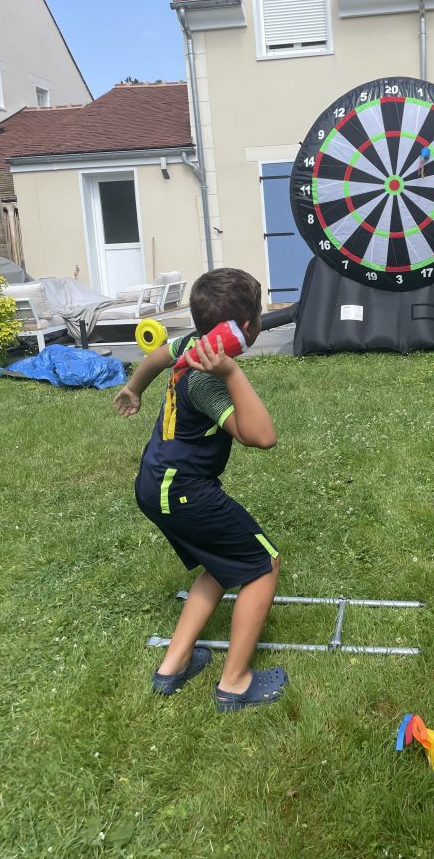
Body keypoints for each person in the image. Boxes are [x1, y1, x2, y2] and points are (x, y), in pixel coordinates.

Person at [113, 268, 288, 711]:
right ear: (245, 328)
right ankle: (235, 683)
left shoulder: (191, 342)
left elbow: (155, 356)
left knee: (221, 562)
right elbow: (262, 436)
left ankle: (173, 666)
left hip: (155, 484)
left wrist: (133, 388)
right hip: (184, 492)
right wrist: (230, 372)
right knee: (262, 565)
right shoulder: (208, 377)